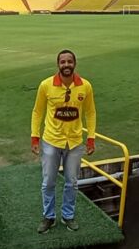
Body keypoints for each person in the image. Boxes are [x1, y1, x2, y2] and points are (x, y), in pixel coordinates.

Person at [31, 49, 96, 233]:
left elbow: (90, 113)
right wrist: (34, 137)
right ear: (58, 64)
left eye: (69, 62)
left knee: (72, 182)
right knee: (48, 182)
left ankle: (68, 216)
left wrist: (91, 138)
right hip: (51, 141)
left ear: (74, 64)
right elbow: (37, 112)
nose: (66, 65)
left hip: (75, 142)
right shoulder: (46, 85)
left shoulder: (85, 86)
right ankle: (48, 217)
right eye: (63, 62)